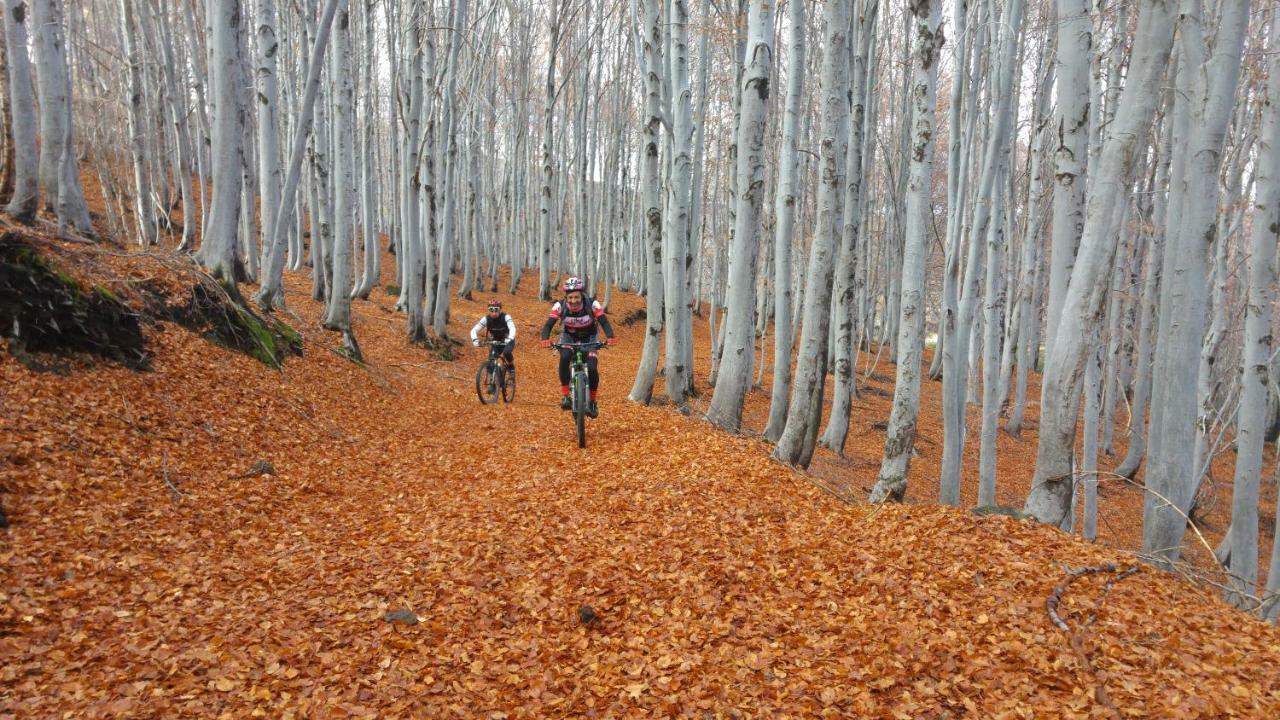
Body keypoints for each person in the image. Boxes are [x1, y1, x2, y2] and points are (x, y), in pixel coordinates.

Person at [539, 277, 616, 417]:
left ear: (582, 295)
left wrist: (610, 337)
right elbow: (548, 325)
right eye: (570, 298)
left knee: (592, 368)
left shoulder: (592, 304)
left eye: (576, 297)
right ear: (566, 297)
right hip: (569, 337)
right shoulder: (559, 306)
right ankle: (566, 396)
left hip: (590, 338)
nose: (573, 301)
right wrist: (545, 338)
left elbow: (604, 322)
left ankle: (592, 401)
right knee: (565, 357)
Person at [470, 299, 517, 371]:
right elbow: (474, 330)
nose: (494, 313)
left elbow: (512, 327)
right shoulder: (486, 319)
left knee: (507, 353)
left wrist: (510, 338)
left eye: (496, 310)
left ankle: (511, 367)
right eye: (491, 310)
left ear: (500, 310)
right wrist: (475, 340)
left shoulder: (506, 317)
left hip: (507, 340)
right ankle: (494, 376)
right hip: (495, 341)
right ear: (489, 310)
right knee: (490, 364)